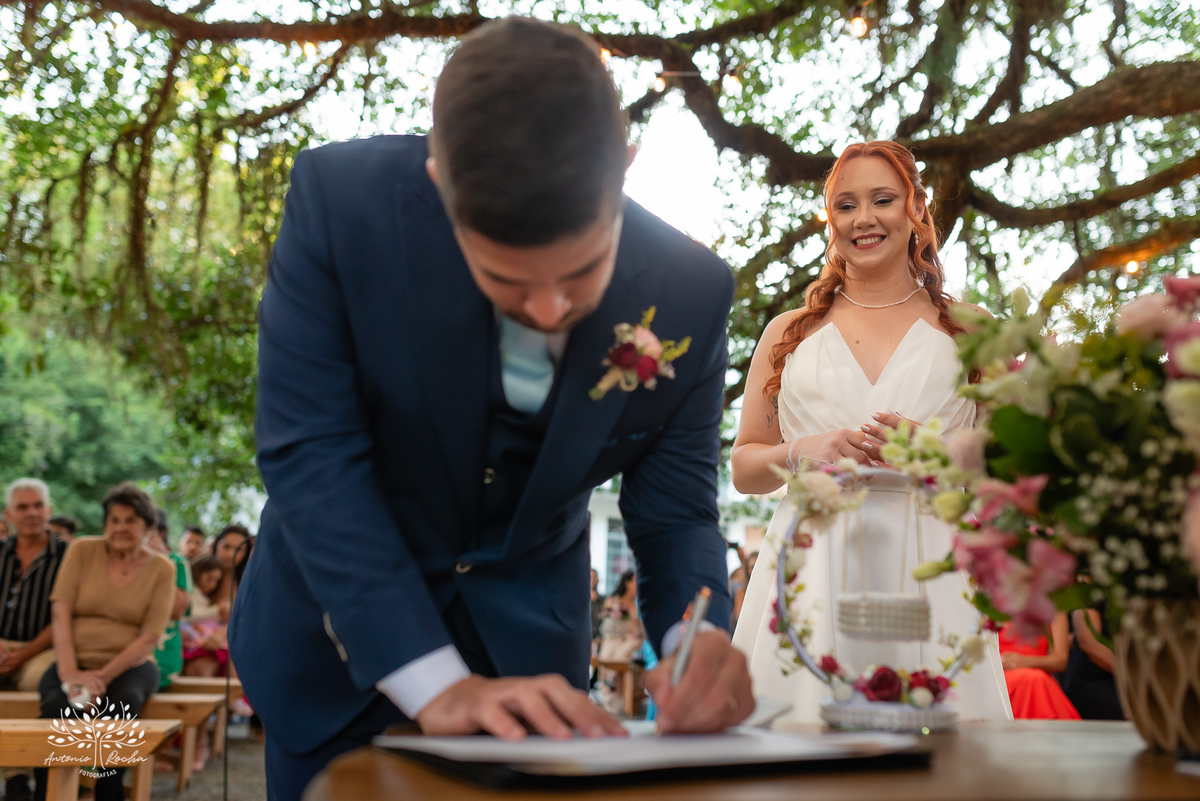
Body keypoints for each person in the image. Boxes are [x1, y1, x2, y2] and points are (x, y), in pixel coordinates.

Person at [228, 17, 751, 800]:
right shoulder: (342, 207)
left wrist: (694, 638)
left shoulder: (691, 292)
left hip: (531, 662)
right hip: (340, 649)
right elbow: (312, 457)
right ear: (442, 186)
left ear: (625, 173)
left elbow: (675, 513)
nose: (547, 309)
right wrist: (436, 684)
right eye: (506, 280)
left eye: (580, 274)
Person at [729, 140, 1011, 724]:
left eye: (882, 199)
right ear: (829, 221)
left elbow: (1011, 459)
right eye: (845, 205)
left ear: (916, 210)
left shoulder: (972, 328)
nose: (864, 219)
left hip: (932, 563)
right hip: (812, 567)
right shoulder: (790, 331)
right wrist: (802, 452)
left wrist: (942, 450)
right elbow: (744, 468)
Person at [36, 482, 174, 801]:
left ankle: (108, 793)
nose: (121, 527)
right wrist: (71, 675)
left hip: (131, 664)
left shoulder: (161, 570)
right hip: (74, 660)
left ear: (148, 527)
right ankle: (48, 794)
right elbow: (60, 614)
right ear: (105, 524)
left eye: (131, 520)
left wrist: (100, 679)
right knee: (58, 705)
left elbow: (149, 637)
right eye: (114, 519)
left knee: (122, 704)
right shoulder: (82, 550)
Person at [1, 479, 70, 801]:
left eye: (38, 505)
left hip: (45, 646)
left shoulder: (68, 555)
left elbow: (66, 615)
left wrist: (24, 653)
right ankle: (14, 775)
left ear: (49, 509)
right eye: (22, 507)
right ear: (8, 515)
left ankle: (24, 773)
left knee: (33, 684)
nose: (31, 513)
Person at [184, 525, 250, 678]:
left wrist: (224, 632)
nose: (230, 554)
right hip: (197, 640)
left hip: (233, 645)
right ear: (216, 545)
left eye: (238, 549)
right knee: (201, 668)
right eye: (226, 546)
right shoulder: (198, 574)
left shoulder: (247, 583)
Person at [998, 613, 1079, 719]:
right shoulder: (987, 603)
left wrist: (1025, 661)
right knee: (1035, 679)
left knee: (1036, 679)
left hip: (1037, 676)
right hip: (999, 676)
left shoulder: (1054, 607)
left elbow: (1060, 661)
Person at [147, 508, 193, 689]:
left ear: (162, 532)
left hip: (160, 657)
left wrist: (160, 560)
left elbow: (178, 609)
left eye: (147, 530)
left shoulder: (176, 561)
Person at [1062, 604, 1124, 720]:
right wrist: (1131, 673)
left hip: (1125, 679)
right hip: (1093, 680)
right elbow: (1089, 643)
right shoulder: (1091, 590)